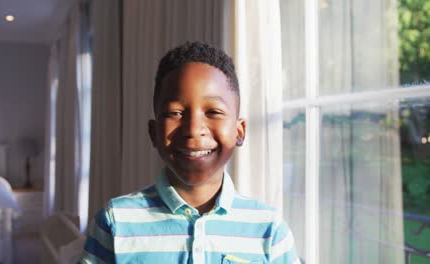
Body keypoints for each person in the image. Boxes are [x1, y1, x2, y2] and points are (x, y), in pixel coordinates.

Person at [79, 41, 299, 264]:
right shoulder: (116, 221)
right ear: (153, 132)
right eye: (175, 113)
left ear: (239, 131)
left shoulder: (269, 230)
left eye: (213, 111)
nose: (193, 130)